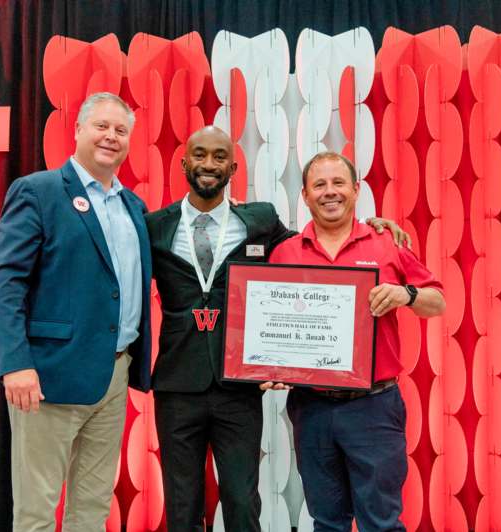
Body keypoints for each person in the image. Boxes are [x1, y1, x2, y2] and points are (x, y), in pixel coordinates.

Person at [146, 127, 408, 531]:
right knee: (182, 501)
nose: (209, 165)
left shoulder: (260, 220)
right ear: (184, 163)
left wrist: (373, 226)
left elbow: (315, 247)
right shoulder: (154, 226)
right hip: (178, 382)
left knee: (241, 497)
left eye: (220, 157)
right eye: (200, 155)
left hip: (238, 388)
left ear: (234, 166)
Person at [0, 92, 152, 532]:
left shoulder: (134, 207)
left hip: (114, 376)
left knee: (92, 506)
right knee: (38, 508)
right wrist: (16, 363)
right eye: (101, 126)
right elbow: (5, 284)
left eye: (121, 130)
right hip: (46, 377)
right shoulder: (38, 191)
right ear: (78, 130)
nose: (111, 137)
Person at [264, 151, 445, 531]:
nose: (330, 192)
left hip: (374, 407)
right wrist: (269, 363)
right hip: (311, 409)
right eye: (320, 185)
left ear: (356, 189)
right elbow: (268, 322)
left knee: (381, 521)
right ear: (305, 195)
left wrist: (404, 294)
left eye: (338, 183)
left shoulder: (386, 242)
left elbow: (437, 301)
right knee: (326, 521)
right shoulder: (285, 253)